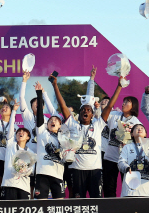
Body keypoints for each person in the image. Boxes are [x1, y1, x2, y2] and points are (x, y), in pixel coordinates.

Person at [52, 66, 122, 198]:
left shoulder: (98, 125)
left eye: (89, 110)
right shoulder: (73, 125)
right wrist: (55, 85)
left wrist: (119, 87)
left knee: (97, 203)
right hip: (77, 170)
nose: (85, 111)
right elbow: (63, 106)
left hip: (95, 171)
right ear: (79, 113)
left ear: (92, 115)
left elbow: (110, 106)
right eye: (83, 109)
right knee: (77, 202)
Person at [33, 82, 66, 199]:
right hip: (42, 173)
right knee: (40, 204)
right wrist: (39, 94)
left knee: (60, 205)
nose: (53, 121)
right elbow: (40, 115)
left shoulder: (64, 138)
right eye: (50, 120)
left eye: (56, 120)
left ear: (60, 125)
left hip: (58, 174)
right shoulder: (42, 132)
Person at [0, 100, 34, 200]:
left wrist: (24, 170)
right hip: (9, 183)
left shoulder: (30, 152)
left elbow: (32, 170)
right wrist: (14, 111)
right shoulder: (11, 144)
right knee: (9, 211)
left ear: (28, 137)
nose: (20, 133)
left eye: (23, 132)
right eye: (19, 131)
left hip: (24, 186)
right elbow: (11, 127)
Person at [19, 71, 59, 153]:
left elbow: (53, 112)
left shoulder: (48, 121)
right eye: (35, 103)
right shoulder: (27, 116)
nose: (37, 104)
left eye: (39, 103)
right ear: (31, 107)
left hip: (44, 154)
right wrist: (24, 81)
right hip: (29, 153)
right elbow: (21, 98)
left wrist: (43, 93)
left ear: (43, 107)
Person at [118, 124, 149, 197]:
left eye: (142, 128)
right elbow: (121, 163)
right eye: (136, 128)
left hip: (148, 191)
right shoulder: (127, 147)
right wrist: (127, 168)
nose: (139, 129)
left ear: (145, 134)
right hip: (130, 190)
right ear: (132, 134)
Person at [0, 95, 18, 188]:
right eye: (2, 107)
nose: (4, 108)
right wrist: (2, 99)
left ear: (11, 112)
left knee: (6, 187)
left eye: (7, 107)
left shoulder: (16, 127)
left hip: (9, 160)